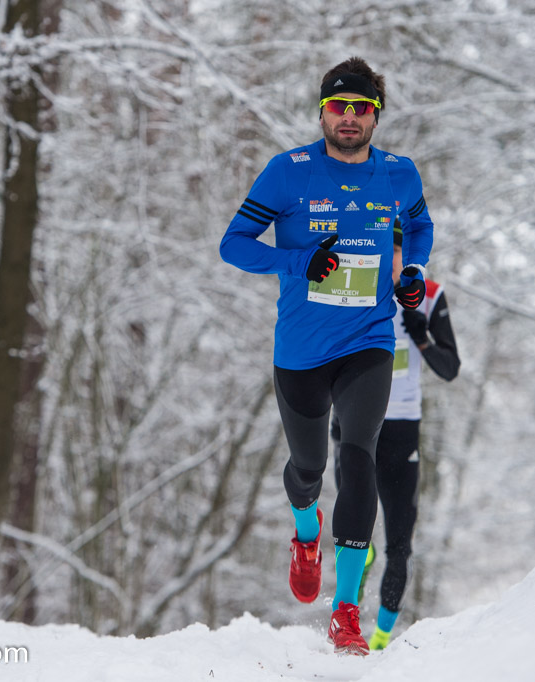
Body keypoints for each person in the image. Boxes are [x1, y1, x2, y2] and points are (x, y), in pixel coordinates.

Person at [219, 57, 435, 656]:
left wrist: (413, 272)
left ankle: (345, 612)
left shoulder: (399, 174)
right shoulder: (287, 172)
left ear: (376, 116)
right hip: (301, 350)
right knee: (309, 467)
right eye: (338, 107)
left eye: (361, 108)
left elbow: (419, 228)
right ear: (322, 112)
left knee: (358, 457)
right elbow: (233, 244)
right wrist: (298, 261)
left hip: (369, 341)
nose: (349, 117)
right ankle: (305, 532)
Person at [331, 223, 460, 651]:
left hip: (402, 426)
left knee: (400, 542)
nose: (390, 260)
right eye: (383, 250)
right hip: (353, 422)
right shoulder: (351, 284)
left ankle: (382, 638)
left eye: (398, 252)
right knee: (351, 527)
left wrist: (421, 338)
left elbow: (450, 368)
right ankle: (346, 612)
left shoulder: (430, 295)